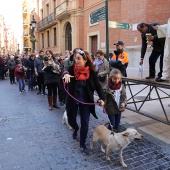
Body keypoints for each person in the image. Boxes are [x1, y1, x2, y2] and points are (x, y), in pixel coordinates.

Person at [62, 49, 105, 154]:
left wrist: (102, 98)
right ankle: (76, 129)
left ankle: (82, 144)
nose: (76, 61)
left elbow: (98, 86)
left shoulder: (91, 72)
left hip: (85, 101)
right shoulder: (71, 69)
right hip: (72, 100)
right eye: (75, 58)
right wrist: (66, 74)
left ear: (85, 60)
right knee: (71, 121)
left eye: (79, 59)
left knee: (85, 123)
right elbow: (64, 73)